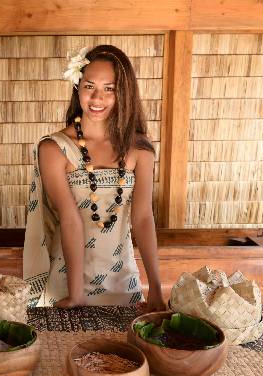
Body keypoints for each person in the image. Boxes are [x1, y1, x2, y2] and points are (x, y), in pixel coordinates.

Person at [23, 45, 166, 312]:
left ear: (123, 93)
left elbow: (143, 217)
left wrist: (156, 289)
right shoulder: (54, 149)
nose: (97, 98)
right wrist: (76, 295)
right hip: (67, 283)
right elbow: (69, 218)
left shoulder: (140, 149)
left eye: (109, 88)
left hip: (123, 282)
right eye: (89, 86)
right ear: (77, 87)